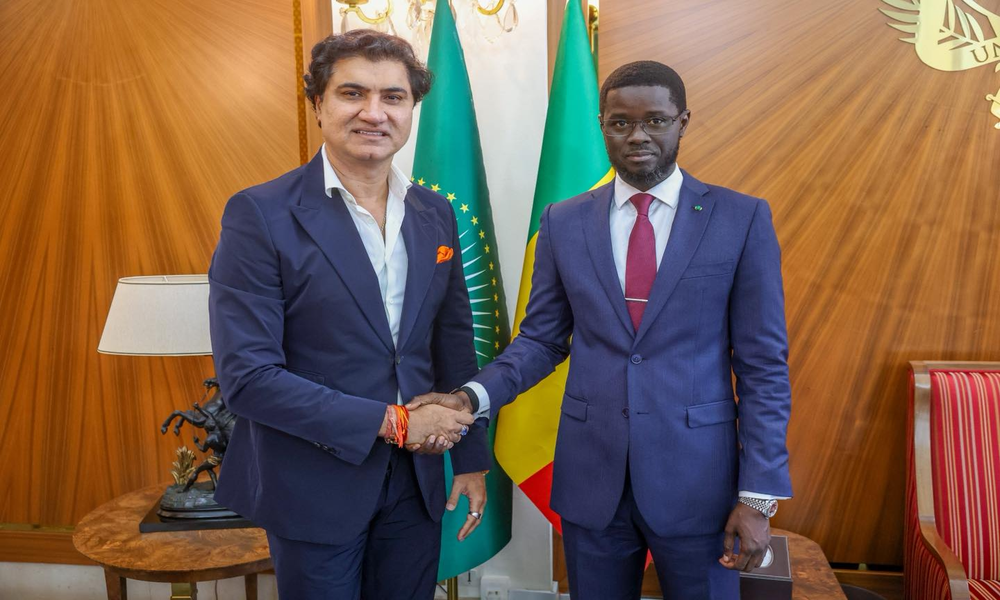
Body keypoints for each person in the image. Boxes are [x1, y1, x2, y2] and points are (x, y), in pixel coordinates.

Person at [411, 61, 792, 599]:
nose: (637, 135)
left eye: (655, 120)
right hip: (593, 483)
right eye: (620, 123)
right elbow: (541, 341)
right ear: (602, 125)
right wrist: (469, 398)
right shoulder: (563, 220)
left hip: (699, 486)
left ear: (683, 122)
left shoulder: (740, 218)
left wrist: (758, 497)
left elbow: (762, 368)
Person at [207, 30, 490, 600]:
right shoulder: (260, 214)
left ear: (412, 110)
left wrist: (470, 458)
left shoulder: (435, 213)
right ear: (318, 104)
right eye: (352, 93)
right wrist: (396, 423)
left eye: (393, 97)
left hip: (417, 483)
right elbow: (248, 379)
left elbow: (453, 343)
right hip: (312, 482)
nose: (373, 113)